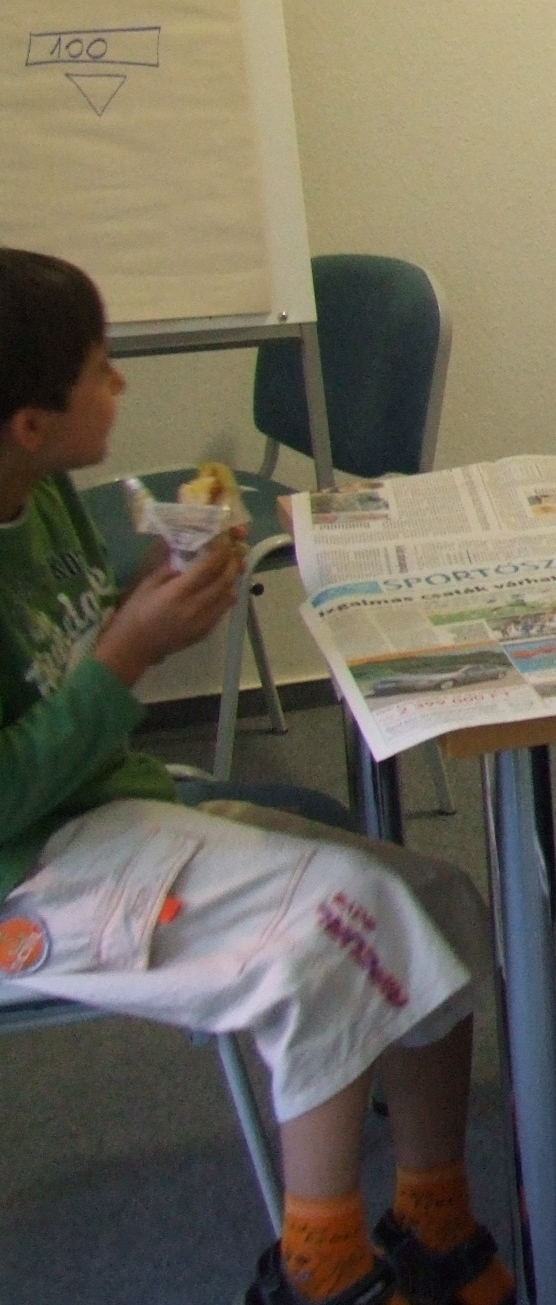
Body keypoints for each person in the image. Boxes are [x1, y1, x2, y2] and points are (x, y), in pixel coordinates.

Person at [0, 249, 511, 1305]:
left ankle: (430, 1216)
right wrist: (127, 655)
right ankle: (318, 1269)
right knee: (336, 926)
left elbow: (66, 660)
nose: (119, 383)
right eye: (99, 369)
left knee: (438, 900)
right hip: (27, 875)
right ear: (31, 423)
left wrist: (153, 596)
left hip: (106, 808)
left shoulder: (38, 495)